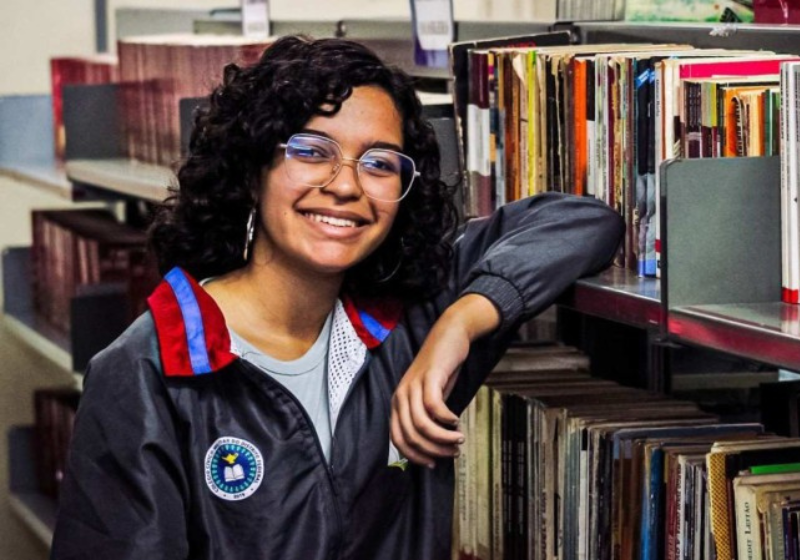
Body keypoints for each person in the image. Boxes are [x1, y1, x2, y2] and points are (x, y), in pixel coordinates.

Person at [51, 35, 624, 560]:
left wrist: (461, 323)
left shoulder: (412, 315)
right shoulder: (146, 373)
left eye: (379, 163)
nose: (347, 185)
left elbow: (582, 222)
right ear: (254, 168)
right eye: (312, 150)